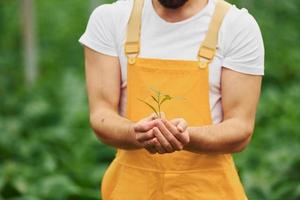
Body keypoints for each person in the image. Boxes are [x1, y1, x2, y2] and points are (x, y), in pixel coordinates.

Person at [79, 0, 264, 199]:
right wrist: (136, 133)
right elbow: (101, 114)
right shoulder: (111, 20)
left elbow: (240, 129)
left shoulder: (236, 26)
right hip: (132, 190)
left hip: (208, 191)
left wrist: (186, 136)